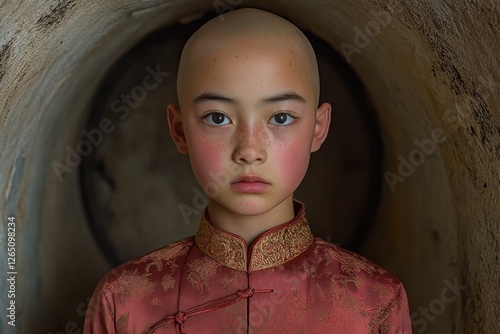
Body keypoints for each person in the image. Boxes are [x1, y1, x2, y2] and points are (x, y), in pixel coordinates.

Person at [84, 7, 412, 334]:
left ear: (318, 128)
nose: (249, 151)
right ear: (180, 130)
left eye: (280, 118)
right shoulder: (124, 302)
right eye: (218, 117)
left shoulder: (376, 302)